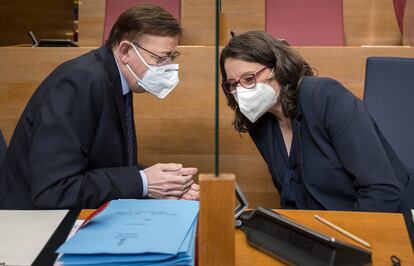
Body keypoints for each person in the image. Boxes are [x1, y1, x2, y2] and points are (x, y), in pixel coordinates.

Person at [0, 4, 199, 209]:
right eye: (160, 58)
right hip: (30, 223)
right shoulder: (80, 82)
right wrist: (143, 182)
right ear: (125, 50)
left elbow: (101, 165)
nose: (167, 67)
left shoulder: (115, 78)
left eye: (171, 57)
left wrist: (164, 182)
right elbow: (55, 190)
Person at [220, 30, 414, 212]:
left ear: (278, 68)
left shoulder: (326, 97)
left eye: (248, 78)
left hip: (385, 222)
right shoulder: (261, 122)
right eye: (232, 84)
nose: (242, 91)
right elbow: (290, 193)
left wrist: (344, 243)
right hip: (323, 232)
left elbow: (382, 189)